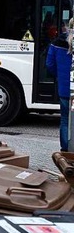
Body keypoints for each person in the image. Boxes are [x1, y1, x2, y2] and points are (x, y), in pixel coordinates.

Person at [46, 19, 73, 152]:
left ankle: (66, 149)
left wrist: (60, 77)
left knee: (64, 119)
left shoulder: (56, 43)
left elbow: (49, 64)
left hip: (64, 89)